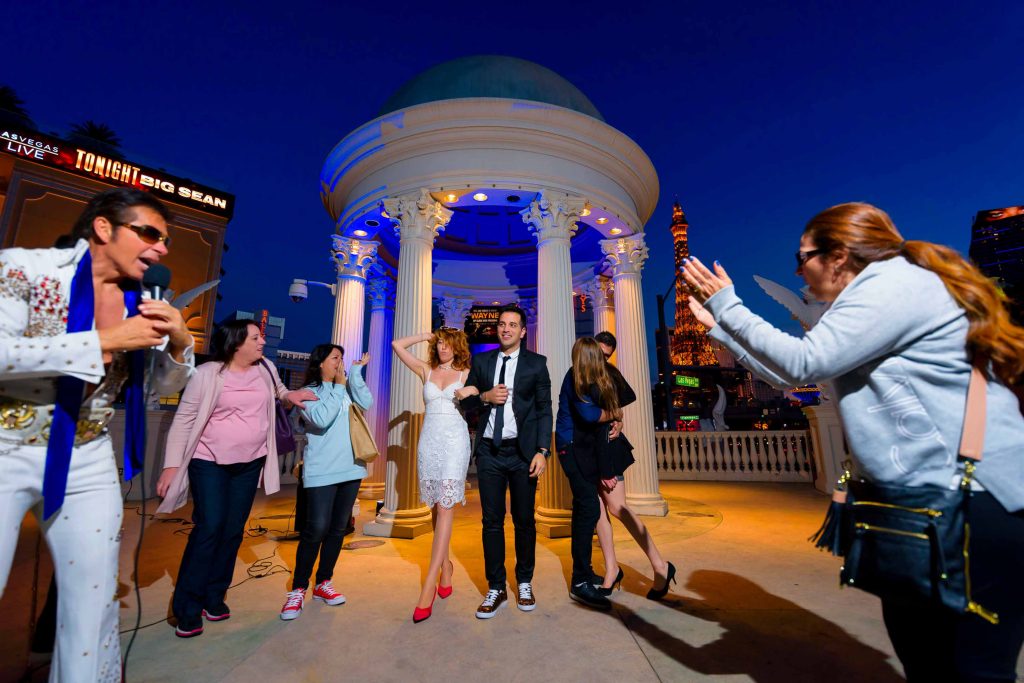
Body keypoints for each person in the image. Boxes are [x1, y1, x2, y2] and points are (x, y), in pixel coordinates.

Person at [681, 202, 1024, 682]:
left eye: (802, 257)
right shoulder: (872, 298)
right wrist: (721, 328)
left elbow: (805, 361)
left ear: (838, 256)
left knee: (973, 670)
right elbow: (786, 376)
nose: (797, 269)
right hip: (921, 508)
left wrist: (729, 304)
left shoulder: (894, 284)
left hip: (970, 506)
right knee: (929, 664)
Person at [0, 188, 195, 682]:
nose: (162, 249)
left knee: (91, 604)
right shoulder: (26, 269)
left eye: (166, 240)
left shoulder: (143, 302)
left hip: (88, 455)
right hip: (6, 446)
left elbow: (160, 387)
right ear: (104, 229)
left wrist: (179, 343)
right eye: (150, 233)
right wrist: (106, 339)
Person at [156, 320, 314, 637]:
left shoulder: (266, 367)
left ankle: (214, 596)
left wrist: (290, 395)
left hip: (249, 462)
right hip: (208, 460)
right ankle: (187, 605)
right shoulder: (207, 374)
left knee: (231, 531)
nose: (262, 341)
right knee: (210, 526)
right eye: (256, 337)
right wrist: (172, 465)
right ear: (236, 343)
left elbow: (279, 392)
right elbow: (185, 418)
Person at [455, 305, 552, 619]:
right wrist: (485, 397)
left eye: (513, 324)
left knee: (525, 522)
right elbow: (466, 400)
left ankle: (524, 581)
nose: (506, 329)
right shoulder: (482, 362)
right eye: (502, 324)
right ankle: (495, 586)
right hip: (490, 452)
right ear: (497, 329)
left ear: (523, 331)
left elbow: (544, 409)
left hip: (524, 454)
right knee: (491, 522)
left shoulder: (537, 364)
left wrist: (543, 450)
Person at [278, 344, 371, 621]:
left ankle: (323, 583)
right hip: (321, 471)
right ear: (320, 363)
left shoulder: (346, 389)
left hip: (351, 469)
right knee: (315, 528)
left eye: (341, 358)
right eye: (335, 358)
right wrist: (339, 387)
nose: (339, 362)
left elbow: (366, 402)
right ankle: (297, 589)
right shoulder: (308, 393)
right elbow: (321, 418)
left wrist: (355, 372)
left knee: (337, 529)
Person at [391, 327, 472, 623]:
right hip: (429, 441)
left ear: (457, 346)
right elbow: (397, 345)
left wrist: (473, 390)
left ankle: (429, 585)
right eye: (439, 344)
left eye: (447, 344)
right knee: (434, 510)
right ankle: (446, 566)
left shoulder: (466, 372)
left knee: (445, 506)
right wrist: (425, 335)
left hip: (455, 441)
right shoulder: (425, 370)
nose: (442, 348)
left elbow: (484, 392)